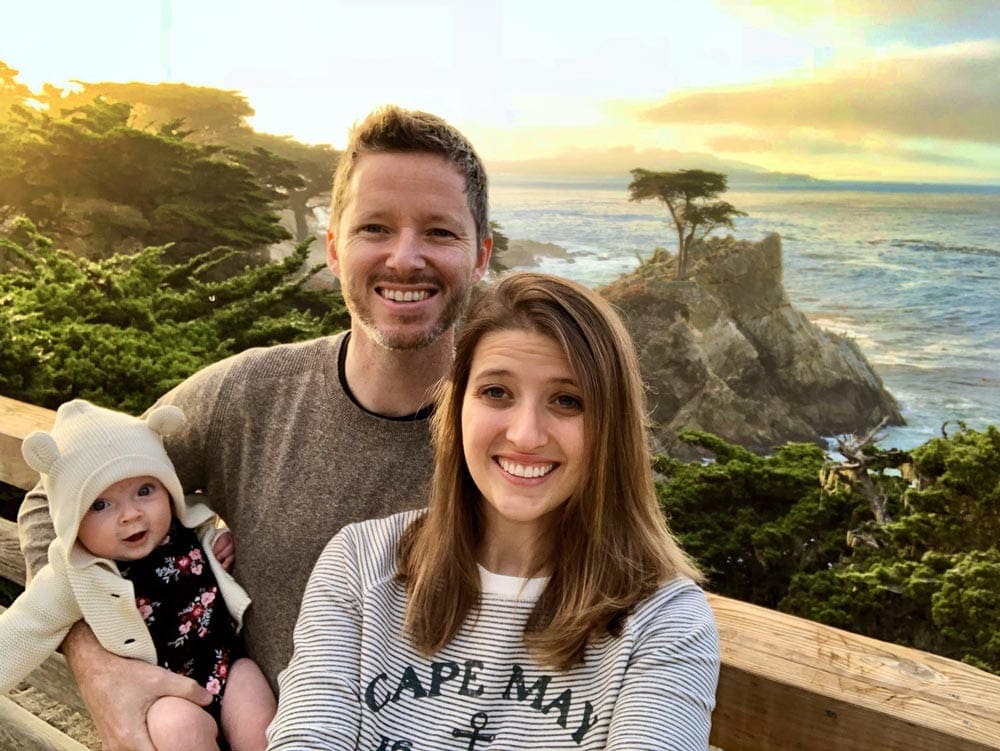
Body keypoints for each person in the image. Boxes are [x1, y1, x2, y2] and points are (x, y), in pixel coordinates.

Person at [17, 105, 493, 751]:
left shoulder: (516, 437)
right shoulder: (248, 393)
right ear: (332, 246)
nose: (404, 258)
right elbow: (54, 495)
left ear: (482, 254)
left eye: (439, 231)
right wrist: (98, 662)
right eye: (375, 227)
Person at [267, 273, 721, 751]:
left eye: (567, 401)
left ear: (612, 428)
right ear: (457, 405)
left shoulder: (664, 621)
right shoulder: (360, 565)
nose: (525, 435)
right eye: (496, 392)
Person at [4, 399, 275, 751]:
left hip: (226, 663)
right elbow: (24, 627)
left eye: (145, 491)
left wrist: (219, 538)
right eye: (100, 505)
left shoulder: (187, 524)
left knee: (261, 722)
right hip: (157, 693)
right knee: (180, 728)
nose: (131, 514)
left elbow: (208, 519)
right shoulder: (76, 574)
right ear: (71, 519)